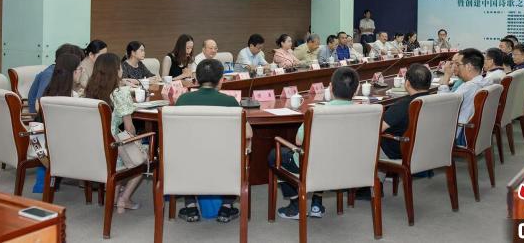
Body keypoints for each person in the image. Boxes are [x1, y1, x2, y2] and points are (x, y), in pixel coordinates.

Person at [268, 67, 360, 219]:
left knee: (275, 155)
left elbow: (298, 141)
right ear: (356, 90)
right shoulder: (366, 111)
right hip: (347, 166)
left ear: (330, 88)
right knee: (327, 153)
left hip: (315, 166)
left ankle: (296, 204)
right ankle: (316, 203)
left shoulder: (317, 112)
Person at [175, 58, 253, 223]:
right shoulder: (229, 102)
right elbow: (248, 134)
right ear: (220, 80)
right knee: (240, 154)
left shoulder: (183, 100)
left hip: (189, 165)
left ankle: (191, 207)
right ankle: (226, 207)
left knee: (185, 155)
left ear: (196, 79)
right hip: (222, 164)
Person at [85, 53, 143, 214]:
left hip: (91, 147)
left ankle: (114, 197)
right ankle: (124, 198)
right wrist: (137, 140)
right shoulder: (120, 93)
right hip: (111, 149)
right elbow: (129, 128)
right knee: (143, 157)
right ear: (116, 70)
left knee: (122, 148)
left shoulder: (89, 91)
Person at [380, 64, 433, 161]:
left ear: (407, 83)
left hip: (399, 151)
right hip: (426, 148)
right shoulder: (435, 100)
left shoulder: (402, 106)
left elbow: (376, 129)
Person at [28, 43, 85, 114]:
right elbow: (39, 105)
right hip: (40, 116)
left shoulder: (60, 74)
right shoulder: (49, 75)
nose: (81, 69)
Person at [455, 48, 486, 146]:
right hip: (476, 131)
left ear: (468, 67)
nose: (456, 68)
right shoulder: (484, 81)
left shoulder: (467, 87)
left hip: (460, 133)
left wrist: (446, 77)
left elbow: (446, 107)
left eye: (458, 65)